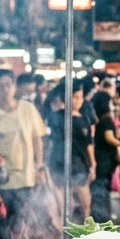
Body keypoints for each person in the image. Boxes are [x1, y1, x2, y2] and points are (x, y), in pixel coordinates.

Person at [0, 69, 47, 238]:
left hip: (25, 175)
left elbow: (37, 139)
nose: (5, 89)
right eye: (0, 86)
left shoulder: (27, 108)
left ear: (14, 87)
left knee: (24, 219)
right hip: (0, 178)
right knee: (2, 220)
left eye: (8, 85)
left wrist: (39, 165)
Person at [44, 80, 93, 224]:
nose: (77, 101)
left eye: (80, 97)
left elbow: (88, 144)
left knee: (85, 203)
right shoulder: (56, 116)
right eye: (74, 97)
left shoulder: (84, 119)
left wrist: (92, 165)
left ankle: (85, 232)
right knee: (63, 205)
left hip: (80, 165)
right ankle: (63, 232)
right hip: (59, 164)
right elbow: (49, 139)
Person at [90, 91, 120, 222]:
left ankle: (101, 220)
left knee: (101, 192)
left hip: (101, 161)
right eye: (110, 102)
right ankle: (101, 222)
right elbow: (110, 138)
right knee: (101, 193)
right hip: (103, 162)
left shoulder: (98, 118)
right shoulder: (106, 120)